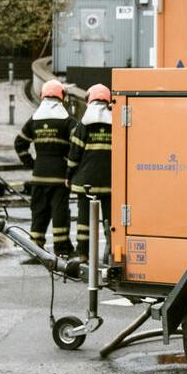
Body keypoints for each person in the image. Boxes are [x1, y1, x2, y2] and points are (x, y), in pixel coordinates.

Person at [16, 80, 76, 255]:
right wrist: (71, 167)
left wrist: (32, 164)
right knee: (60, 212)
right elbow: (78, 146)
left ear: (42, 96)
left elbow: (19, 143)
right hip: (60, 176)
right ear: (62, 97)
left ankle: (35, 248)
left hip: (39, 175)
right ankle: (62, 248)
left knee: (39, 212)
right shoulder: (67, 121)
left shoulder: (33, 120)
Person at [67, 83, 113, 258]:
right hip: (109, 183)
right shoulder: (115, 124)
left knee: (84, 222)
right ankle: (110, 254)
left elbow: (74, 154)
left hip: (85, 183)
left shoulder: (83, 125)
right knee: (110, 221)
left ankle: (83, 255)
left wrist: (69, 175)